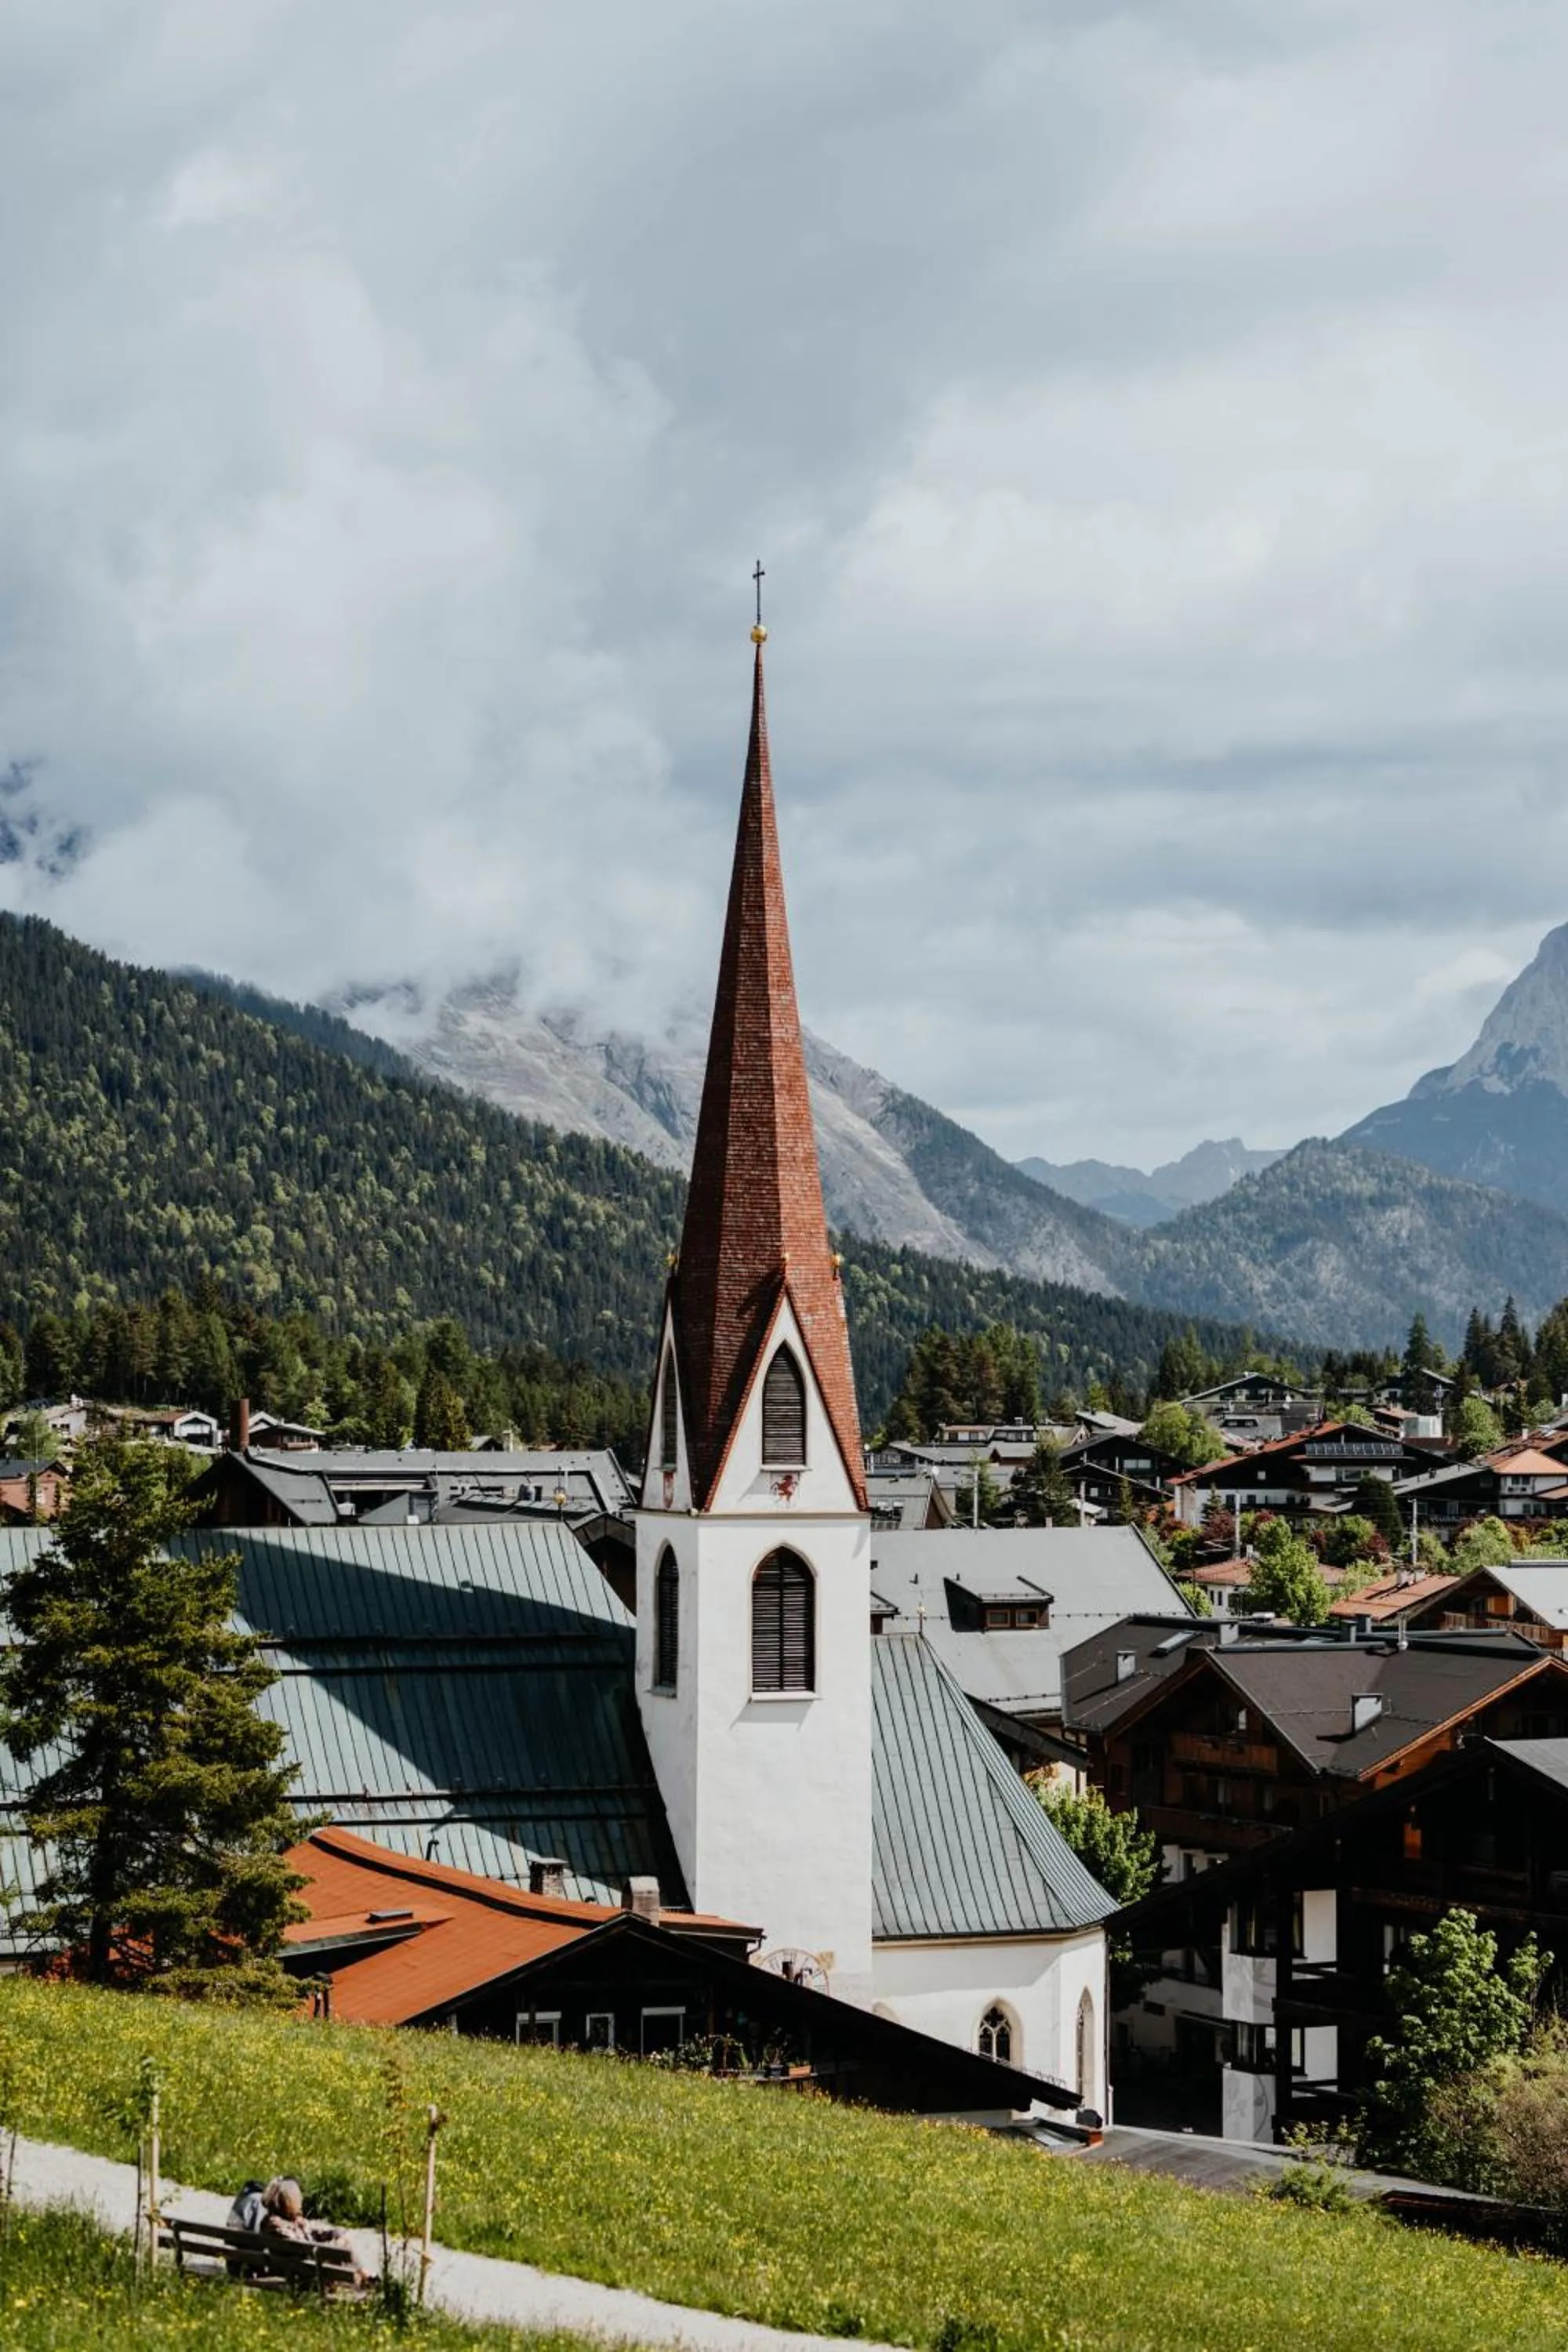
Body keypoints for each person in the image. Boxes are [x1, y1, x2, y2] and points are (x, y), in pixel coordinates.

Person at [259, 2178, 368, 2285]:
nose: (300, 2203)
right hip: (303, 2276)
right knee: (343, 2247)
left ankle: (366, 2277)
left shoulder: (284, 2221)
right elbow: (304, 2249)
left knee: (343, 2243)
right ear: (286, 2202)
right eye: (296, 2199)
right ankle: (366, 2279)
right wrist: (337, 2244)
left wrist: (336, 2233)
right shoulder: (276, 2226)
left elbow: (315, 2231)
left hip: (301, 2270)